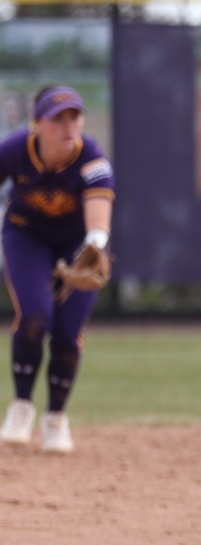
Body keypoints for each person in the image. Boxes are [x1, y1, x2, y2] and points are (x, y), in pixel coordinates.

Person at [0, 87, 115, 454]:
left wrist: (94, 246)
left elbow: (98, 218)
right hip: (26, 235)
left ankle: (55, 419)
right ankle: (20, 407)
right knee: (35, 318)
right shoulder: (16, 149)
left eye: (74, 116)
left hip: (78, 244)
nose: (68, 125)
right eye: (57, 118)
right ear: (37, 124)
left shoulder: (92, 159)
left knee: (67, 333)